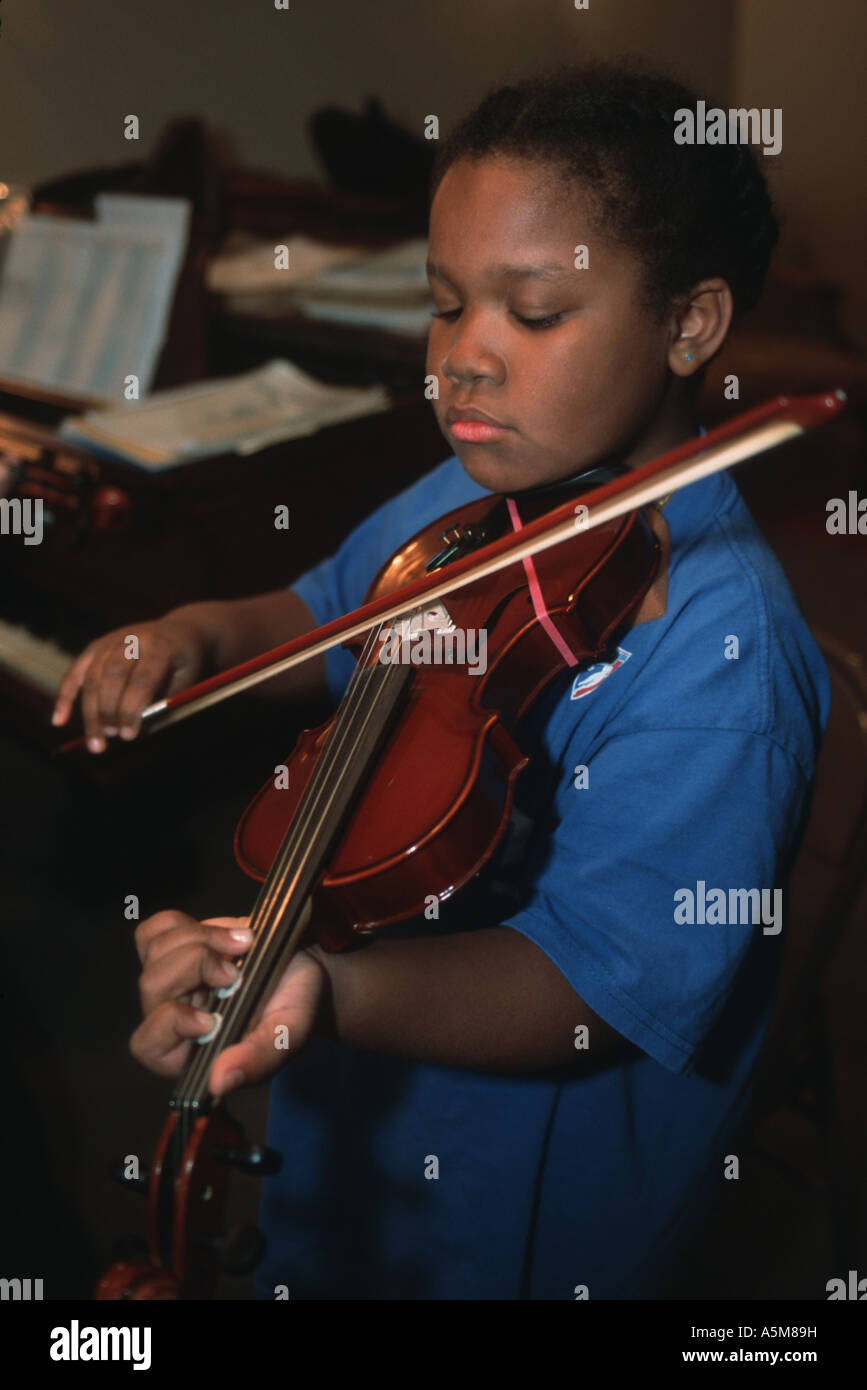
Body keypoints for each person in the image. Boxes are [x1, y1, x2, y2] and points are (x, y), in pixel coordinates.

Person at [53, 63, 829, 1300]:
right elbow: (323, 611)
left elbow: (592, 982)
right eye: (444, 302)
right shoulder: (474, 495)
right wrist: (196, 633)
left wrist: (329, 986)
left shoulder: (722, 666)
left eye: (531, 313)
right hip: (350, 1108)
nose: (463, 360)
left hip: (518, 1204)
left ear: (689, 324)